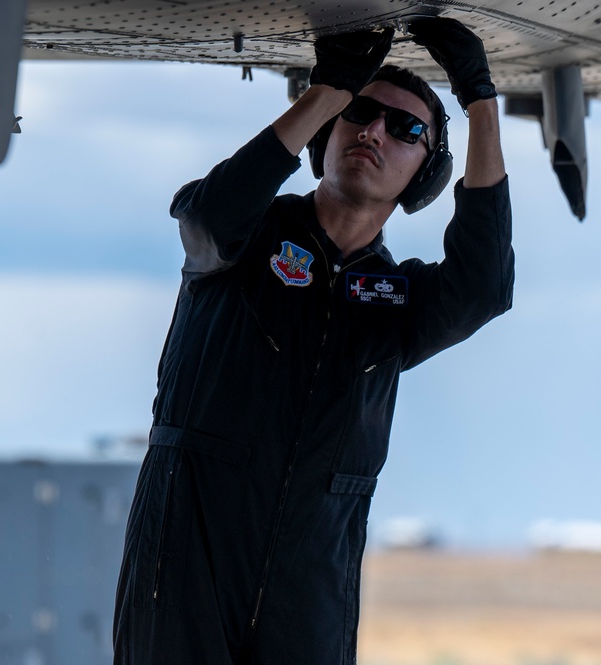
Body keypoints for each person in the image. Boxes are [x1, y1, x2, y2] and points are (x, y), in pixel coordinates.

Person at [113, 17, 514, 665]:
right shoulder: (243, 239)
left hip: (312, 587)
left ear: (424, 173)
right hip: (188, 564)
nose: (375, 131)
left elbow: (483, 288)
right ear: (329, 133)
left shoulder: (395, 303)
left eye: (407, 128)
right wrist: (328, 88)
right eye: (362, 111)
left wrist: (480, 99)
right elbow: (208, 215)